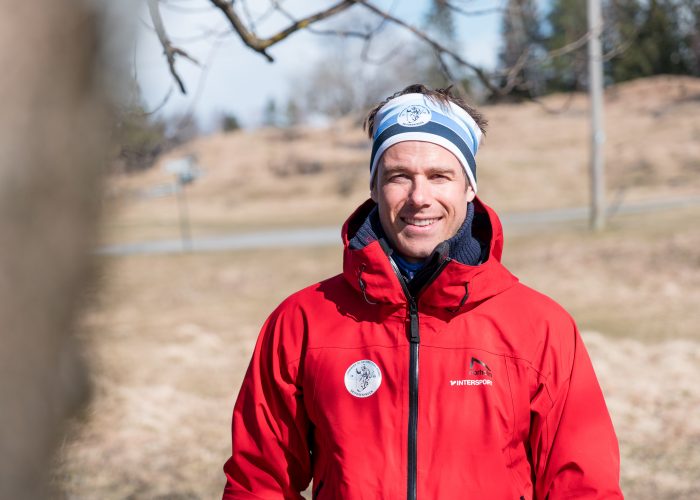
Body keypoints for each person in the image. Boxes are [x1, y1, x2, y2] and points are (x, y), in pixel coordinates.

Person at [222, 84, 623, 499]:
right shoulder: (301, 321)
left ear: (469, 188)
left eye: (439, 176)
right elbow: (259, 480)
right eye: (399, 177)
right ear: (375, 188)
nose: (419, 197)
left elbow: (582, 485)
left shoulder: (541, 327)